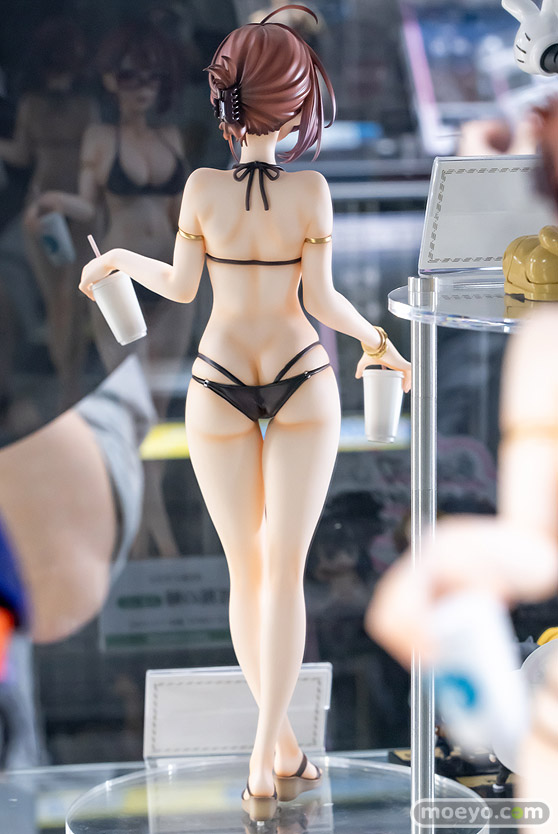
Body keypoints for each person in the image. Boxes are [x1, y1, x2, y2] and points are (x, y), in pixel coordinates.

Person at [80, 5, 411, 820]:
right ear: (295, 107)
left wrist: (118, 258)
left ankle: (267, 757)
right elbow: (321, 300)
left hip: (219, 377)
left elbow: (180, 287)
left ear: (223, 102)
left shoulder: (201, 189)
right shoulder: (310, 191)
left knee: (250, 572)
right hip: (302, 374)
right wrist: (378, 339)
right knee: (280, 572)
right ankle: (279, 752)